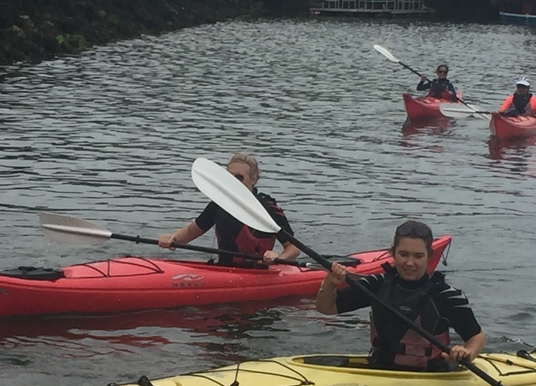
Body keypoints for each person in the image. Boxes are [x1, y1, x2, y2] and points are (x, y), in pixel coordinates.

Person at [316, 220, 485, 371]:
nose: (410, 263)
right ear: (393, 253)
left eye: (418, 256)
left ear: (429, 256)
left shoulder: (445, 295)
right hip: (380, 370)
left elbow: (476, 336)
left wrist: (466, 353)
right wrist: (330, 282)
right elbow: (327, 308)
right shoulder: (377, 285)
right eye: (403, 254)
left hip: (431, 375)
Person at [159, 153, 300, 266]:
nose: (233, 182)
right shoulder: (218, 204)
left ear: (253, 179)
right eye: (229, 177)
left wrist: (278, 258)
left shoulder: (268, 208)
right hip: (224, 269)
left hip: (259, 272)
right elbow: (191, 232)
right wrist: (173, 239)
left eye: (239, 177)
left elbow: (293, 247)